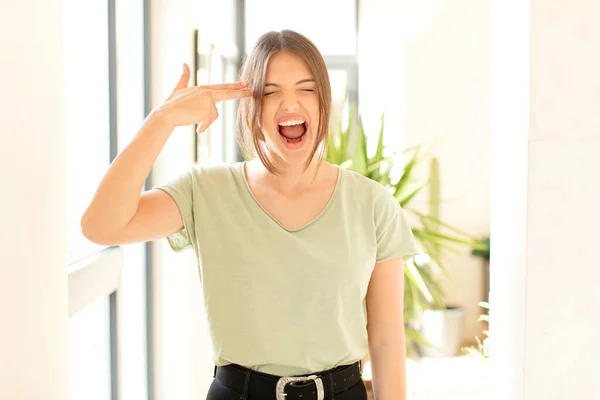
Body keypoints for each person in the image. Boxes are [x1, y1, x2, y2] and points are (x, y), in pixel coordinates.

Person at [81, 29, 420, 400]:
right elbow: (102, 225)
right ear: (251, 108)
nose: (290, 104)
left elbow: (387, 340)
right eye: (271, 92)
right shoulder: (206, 191)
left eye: (306, 89)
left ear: (324, 101)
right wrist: (162, 120)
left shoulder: (372, 203)